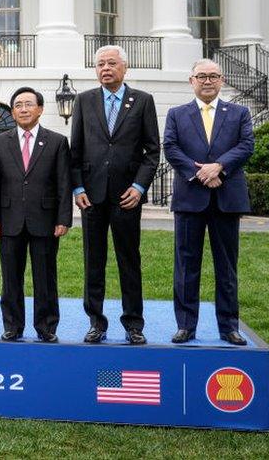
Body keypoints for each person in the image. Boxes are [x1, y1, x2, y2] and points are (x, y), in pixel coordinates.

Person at [71, 45, 160, 345]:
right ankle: (96, 322)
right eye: (100, 64)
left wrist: (139, 187)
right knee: (93, 262)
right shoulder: (83, 101)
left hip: (127, 197)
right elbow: (76, 150)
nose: (105, 68)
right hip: (92, 197)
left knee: (128, 261)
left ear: (125, 67)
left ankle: (133, 323)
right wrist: (78, 187)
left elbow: (152, 151)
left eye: (111, 63)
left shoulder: (143, 101)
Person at [163, 58, 254, 346]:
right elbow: (171, 147)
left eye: (213, 76)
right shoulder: (177, 114)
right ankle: (186, 326)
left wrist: (219, 167)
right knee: (186, 266)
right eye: (201, 76)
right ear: (191, 81)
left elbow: (246, 145)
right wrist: (200, 171)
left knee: (226, 267)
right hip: (190, 199)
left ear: (222, 80)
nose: (207, 81)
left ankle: (229, 327)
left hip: (226, 198)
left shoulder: (239, 112)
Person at [0, 87, 71, 343]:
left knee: (45, 277)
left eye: (28, 104)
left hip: (45, 220)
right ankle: (13, 326)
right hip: (9, 220)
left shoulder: (56, 141)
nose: (23, 109)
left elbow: (64, 183)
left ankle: (46, 327)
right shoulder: (0, 143)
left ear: (40, 109)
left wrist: (63, 218)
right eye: (18, 105)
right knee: (11, 278)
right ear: (12, 111)